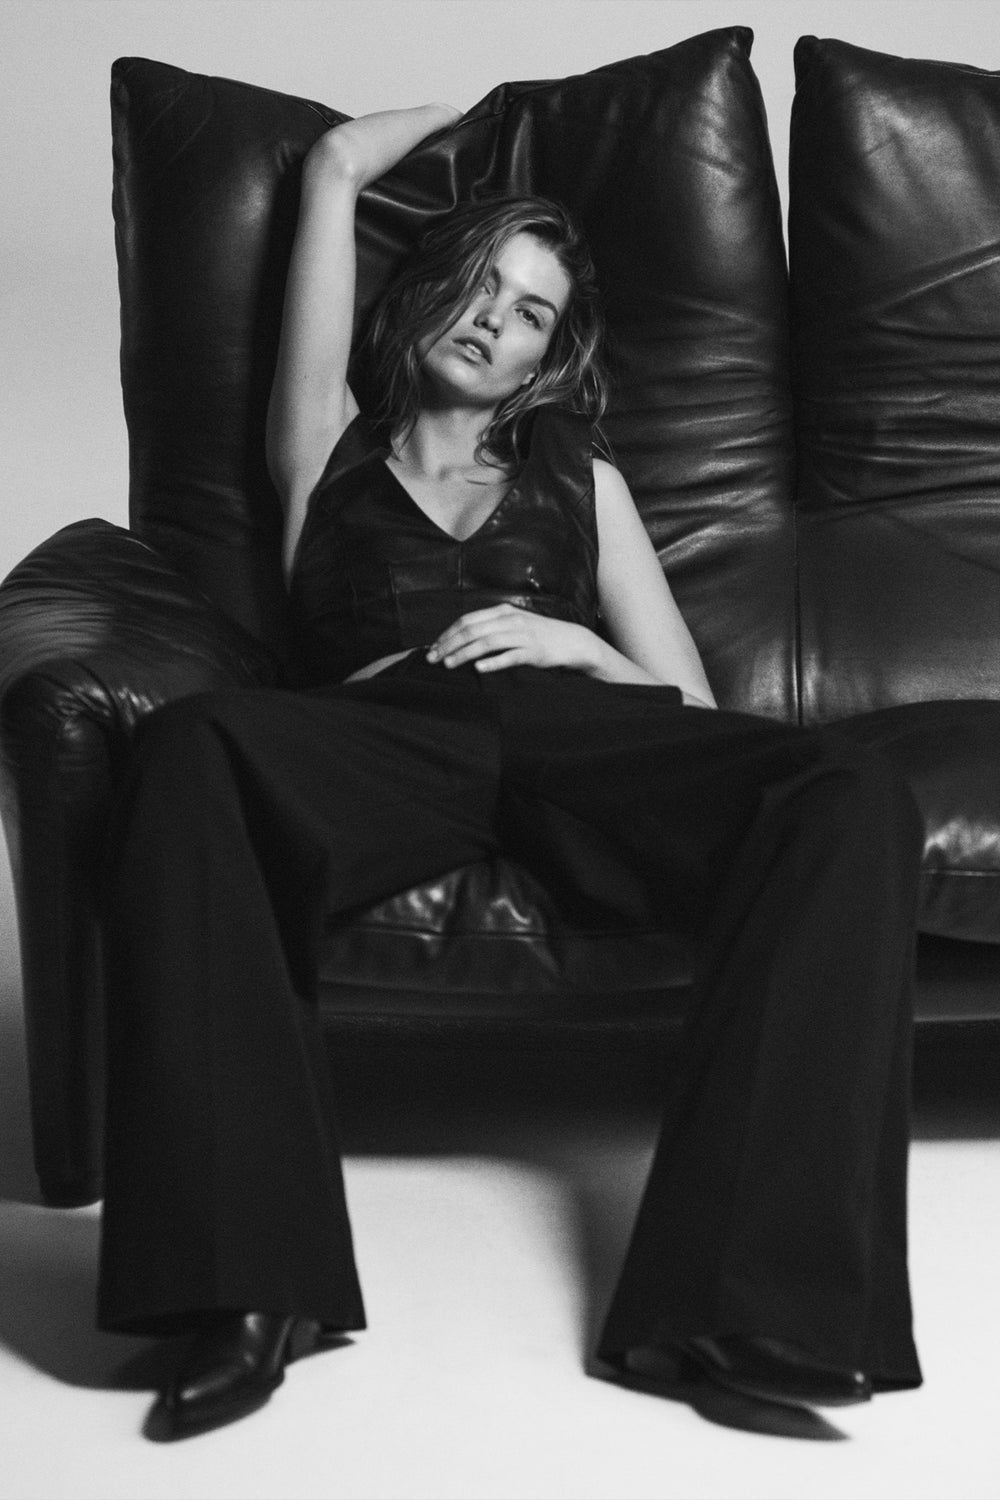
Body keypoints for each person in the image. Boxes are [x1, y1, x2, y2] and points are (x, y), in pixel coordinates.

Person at [97, 104, 925, 1441]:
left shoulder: (579, 474)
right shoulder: (327, 447)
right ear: (425, 296)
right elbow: (336, 166)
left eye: (531, 311)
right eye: (480, 287)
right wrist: (450, 119)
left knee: (845, 791)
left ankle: (740, 1308)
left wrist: (578, 644)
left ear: (550, 355)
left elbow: (690, 703)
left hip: (567, 726)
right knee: (191, 745)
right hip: (387, 731)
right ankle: (242, 1289)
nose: (495, 321)